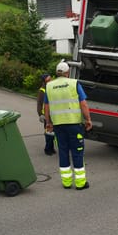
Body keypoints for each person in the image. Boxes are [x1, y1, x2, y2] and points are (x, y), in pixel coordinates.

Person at [44, 62, 93, 190]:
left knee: (63, 152)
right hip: (74, 125)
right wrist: (88, 119)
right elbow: (83, 104)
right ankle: (80, 183)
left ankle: (66, 183)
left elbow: (46, 107)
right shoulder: (74, 83)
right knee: (77, 152)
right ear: (67, 72)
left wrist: (48, 123)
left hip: (58, 126)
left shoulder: (49, 86)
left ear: (57, 72)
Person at [37, 73, 56, 156]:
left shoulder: (51, 88)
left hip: (53, 113)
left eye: (50, 79)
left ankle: (51, 148)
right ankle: (47, 149)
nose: (50, 81)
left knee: (52, 132)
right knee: (48, 132)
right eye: (48, 80)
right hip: (46, 115)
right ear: (44, 82)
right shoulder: (42, 91)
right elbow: (39, 104)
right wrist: (40, 114)